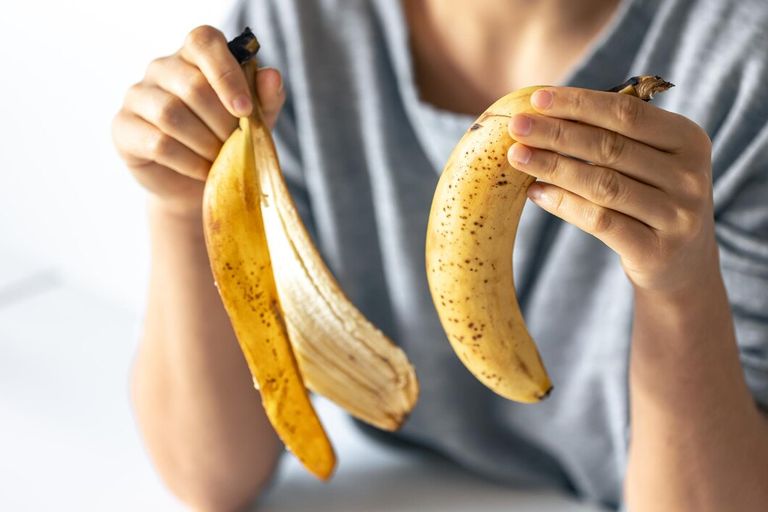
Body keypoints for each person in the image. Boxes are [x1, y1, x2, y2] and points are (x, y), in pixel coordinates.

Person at [111, 0, 768, 510]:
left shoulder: (742, 69)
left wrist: (680, 285)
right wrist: (185, 202)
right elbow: (209, 477)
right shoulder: (304, 26)